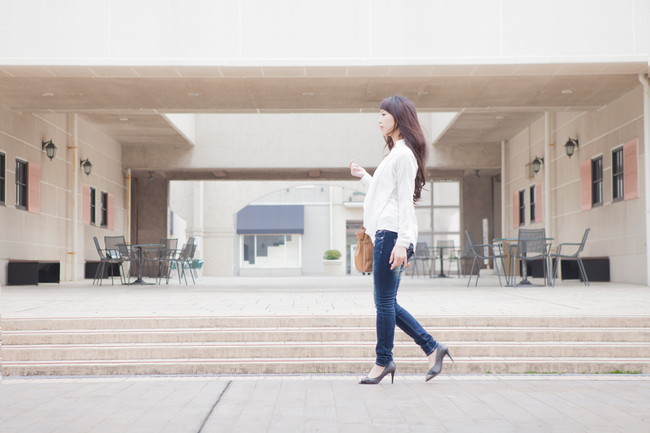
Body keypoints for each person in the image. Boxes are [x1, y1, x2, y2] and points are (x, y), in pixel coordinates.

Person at [349, 95, 453, 384]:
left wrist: (402, 242)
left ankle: (384, 361)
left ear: (398, 118)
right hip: (387, 232)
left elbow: (405, 202)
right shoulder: (396, 153)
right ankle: (432, 348)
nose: (379, 119)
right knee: (386, 302)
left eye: (383, 113)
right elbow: (386, 195)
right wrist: (363, 177)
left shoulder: (404, 155)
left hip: (392, 235)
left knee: (384, 303)